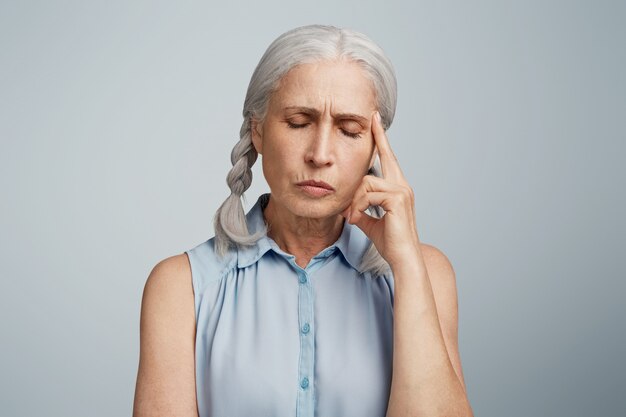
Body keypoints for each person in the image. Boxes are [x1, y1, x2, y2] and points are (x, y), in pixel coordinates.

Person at [133, 24, 473, 417]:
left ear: (375, 148)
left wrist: (408, 267)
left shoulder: (426, 275)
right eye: (298, 122)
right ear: (257, 131)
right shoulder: (181, 288)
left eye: (349, 130)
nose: (320, 153)